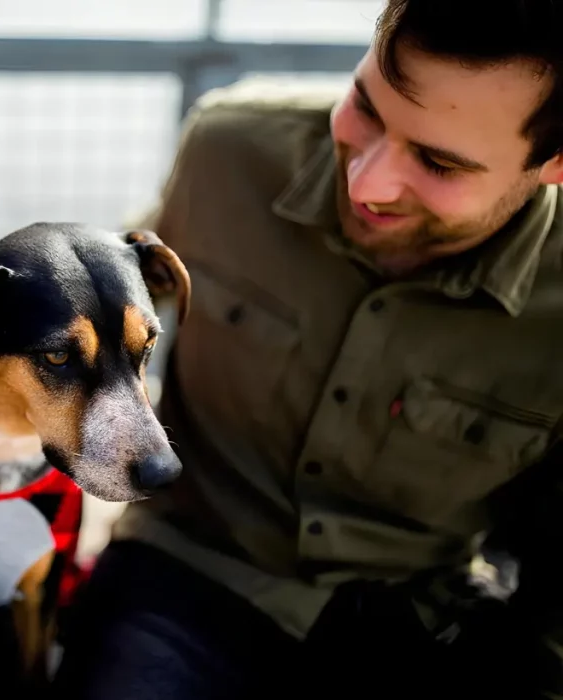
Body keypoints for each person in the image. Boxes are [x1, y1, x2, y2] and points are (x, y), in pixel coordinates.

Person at [52, 1, 563, 698]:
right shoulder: (227, 149)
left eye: (440, 163)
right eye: (366, 106)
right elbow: (113, 304)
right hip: (184, 571)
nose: (369, 182)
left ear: (554, 163)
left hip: (417, 620)